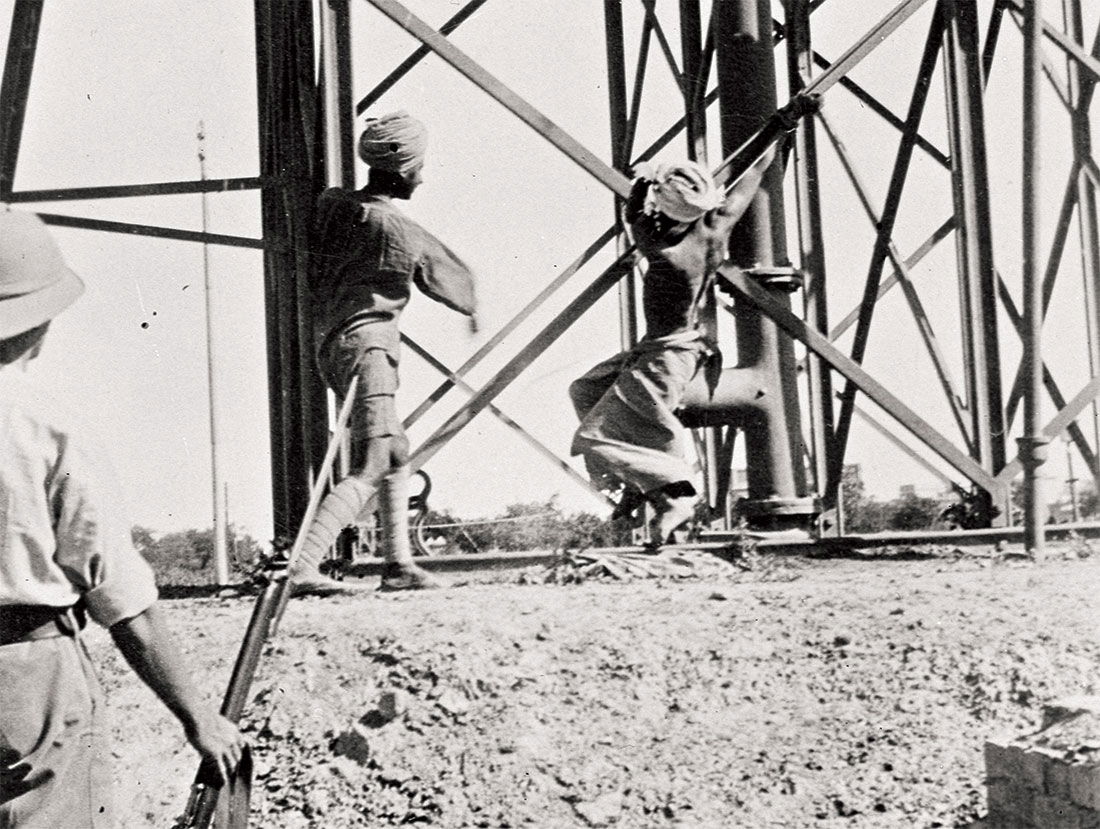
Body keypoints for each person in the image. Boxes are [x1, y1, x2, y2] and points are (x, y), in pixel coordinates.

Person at [0, 209, 245, 826]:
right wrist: (198, 716)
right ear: (41, 322)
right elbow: (120, 596)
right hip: (28, 677)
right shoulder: (49, 427)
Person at [290, 110, 478, 594]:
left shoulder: (334, 205)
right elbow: (454, 280)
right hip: (370, 346)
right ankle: (303, 565)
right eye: (419, 166)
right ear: (403, 171)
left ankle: (398, 566)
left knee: (396, 450)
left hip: (332, 344)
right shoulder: (399, 230)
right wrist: (471, 305)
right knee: (374, 458)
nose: (422, 175)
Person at [569, 151, 775, 545]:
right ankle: (637, 482)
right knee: (586, 389)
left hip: (669, 356)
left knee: (598, 433)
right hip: (662, 349)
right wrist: (778, 132)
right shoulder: (713, 231)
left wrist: (644, 181)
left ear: (664, 211)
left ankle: (674, 499)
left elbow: (634, 215)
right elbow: (747, 180)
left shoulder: (662, 250)